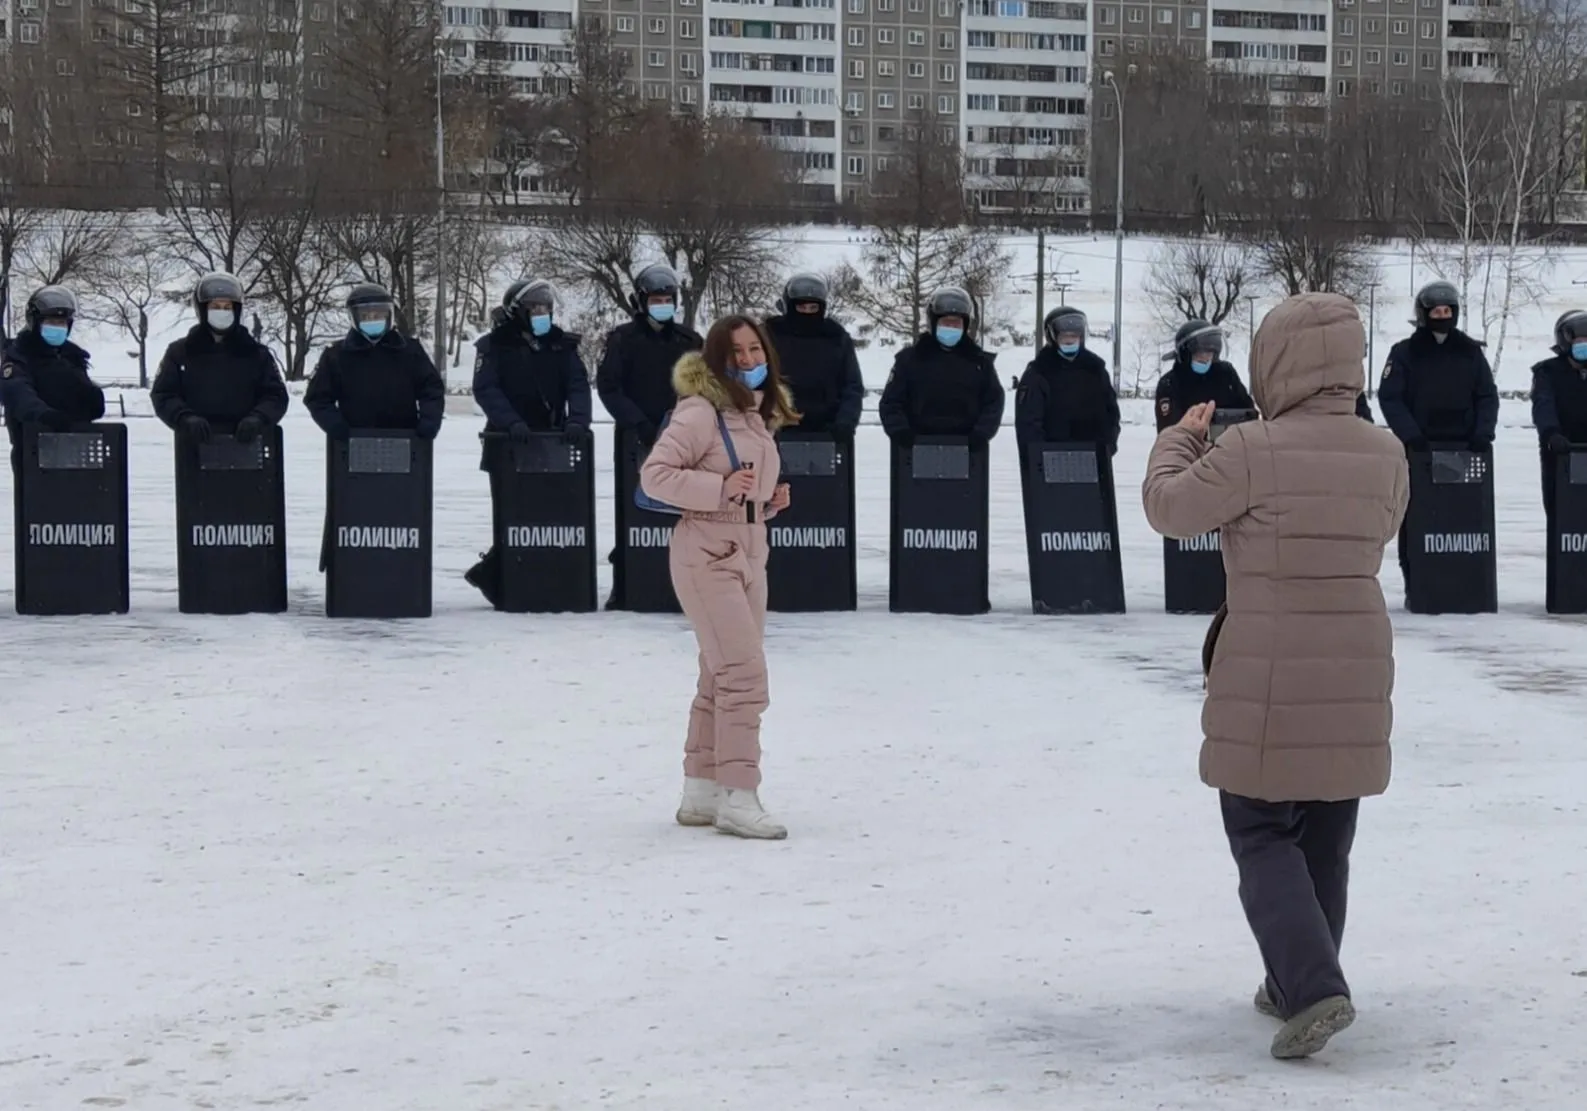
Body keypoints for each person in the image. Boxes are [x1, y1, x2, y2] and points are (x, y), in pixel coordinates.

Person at [1141, 293, 1409, 1061]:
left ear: (1274, 362)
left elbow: (1170, 510)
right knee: (1325, 828)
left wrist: (1175, 443)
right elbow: (1384, 522)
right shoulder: (1386, 451)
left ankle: (1313, 983)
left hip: (1267, 660)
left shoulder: (1250, 448)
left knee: (1260, 828)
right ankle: (1293, 978)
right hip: (1357, 659)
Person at [639, 315, 800, 839]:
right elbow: (655, 476)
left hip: (749, 552)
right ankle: (739, 795)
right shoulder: (699, 413)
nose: (750, 361)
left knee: (719, 675)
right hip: (706, 554)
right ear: (717, 359)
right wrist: (722, 488)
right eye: (738, 353)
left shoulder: (754, 415)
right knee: (744, 676)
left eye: (757, 350)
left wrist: (767, 503)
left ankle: (701, 792)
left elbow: (740, 492)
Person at [465, 279, 593, 605]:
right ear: (516, 311)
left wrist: (578, 419)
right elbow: (486, 388)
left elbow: (578, 384)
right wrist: (511, 422)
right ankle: (501, 575)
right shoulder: (493, 345)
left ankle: (548, 575)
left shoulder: (561, 345)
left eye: (546, 309)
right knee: (513, 514)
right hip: (508, 443)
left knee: (551, 513)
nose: (542, 314)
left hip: (554, 444)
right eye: (534, 309)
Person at [305, 283, 445, 571]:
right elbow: (317, 398)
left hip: (404, 448)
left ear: (390, 315)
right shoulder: (337, 355)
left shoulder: (410, 351)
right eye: (366, 315)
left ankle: (398, 570)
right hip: (353, 450)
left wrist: (428, 423)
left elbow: (431, 388)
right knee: (356, 515)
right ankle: (352, 570)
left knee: (399, 515)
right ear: (354, 318)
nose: (373, 320)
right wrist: (336, 427)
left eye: (379, 314)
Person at [597, 263, 705, 609]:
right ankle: (627, 583)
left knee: (684, 516)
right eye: (657, 299)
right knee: (633, 514)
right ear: (641, 302)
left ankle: (686, 583)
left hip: (685, 441)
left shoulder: (690, 341)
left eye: (668, 298)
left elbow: (707, 388)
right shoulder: (622, 340)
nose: (663, 304)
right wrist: (639, 424)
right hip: (636, 438)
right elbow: (610, 388)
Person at [1377, 281, 1499, 577]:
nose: (1442, 316)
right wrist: (1411, 435)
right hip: (1421, 450)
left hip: (1465, 449)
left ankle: (1462, 578)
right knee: (1419, 517)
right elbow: (1391, 397)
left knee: (1460, 516)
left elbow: (1486, 395)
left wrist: (1483, 432)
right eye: (1436, 311)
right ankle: (1417, 577)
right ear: (1423, 313)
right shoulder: (1405, 352)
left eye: (1447, 310)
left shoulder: (1470, 353)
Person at [151, 271, 289, 446]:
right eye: (215, 306)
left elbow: (275, 395)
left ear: (236, 310)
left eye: (227, 307)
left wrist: (259, 418)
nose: (221, 312)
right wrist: (184, 417)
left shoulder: (256, 353)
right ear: (202, 310)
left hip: (247, 443)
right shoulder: (180, 352)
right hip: (195, 445)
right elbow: (164, 394)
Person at [878, 286, 1003, 449]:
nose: (951, 328)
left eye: (956, 324)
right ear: (933, 323)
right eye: (946, 323)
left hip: (966, 449)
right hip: (917, 447)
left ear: (964, 326)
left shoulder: (979, 363)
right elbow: (891, 402)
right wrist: (900, 432)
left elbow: (993, 401)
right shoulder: (909, 360)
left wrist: (981, 433)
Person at [1, 286, 105, 473]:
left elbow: (84, 392)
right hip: (34, 452)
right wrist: (44, 415)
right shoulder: (19, 356)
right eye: (51, 321)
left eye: (62, 322)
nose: (57, 327)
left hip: (78, 450)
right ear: (35, 322)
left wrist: (93, 398)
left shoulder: (72, 357)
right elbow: (18, 393)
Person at [763, 273, 864, 441]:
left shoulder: (836, 337)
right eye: (801, 308)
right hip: (777, 427)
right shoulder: (770, 334)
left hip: (827, 430)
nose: (807, 313)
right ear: (789, 306)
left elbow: (852, 385)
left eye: (813, 308)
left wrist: (846, 421)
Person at [1530, 311, 1587, 609]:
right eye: (1580, 341)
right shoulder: (1547, 372)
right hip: (1561, 456)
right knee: (1565, 522)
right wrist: (1552, 434)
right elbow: (1543, 405)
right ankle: (1566, 586)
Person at [1014, 305, 1120, 456]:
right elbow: (1028, 423)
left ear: (1081, 337)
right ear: (1053, 338)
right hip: (1052, 458)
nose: (1070, 341)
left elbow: (1111, 414)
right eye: (1064, 337)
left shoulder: (1095, 369)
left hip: (1093, 458)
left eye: (1074, 336)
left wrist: (1108, 446)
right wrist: (1038, 457)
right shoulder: (1039, 373)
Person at [1153, 320, 1254, 432]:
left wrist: (1219, 422)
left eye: (1210, 353)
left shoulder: (1226, 374)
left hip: (1229, 445)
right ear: (1185, 354)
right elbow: (1169, 431)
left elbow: (1249, 413)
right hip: (1189, 447)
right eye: (1200, 353)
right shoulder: (1169, 383)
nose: (1206, 358)